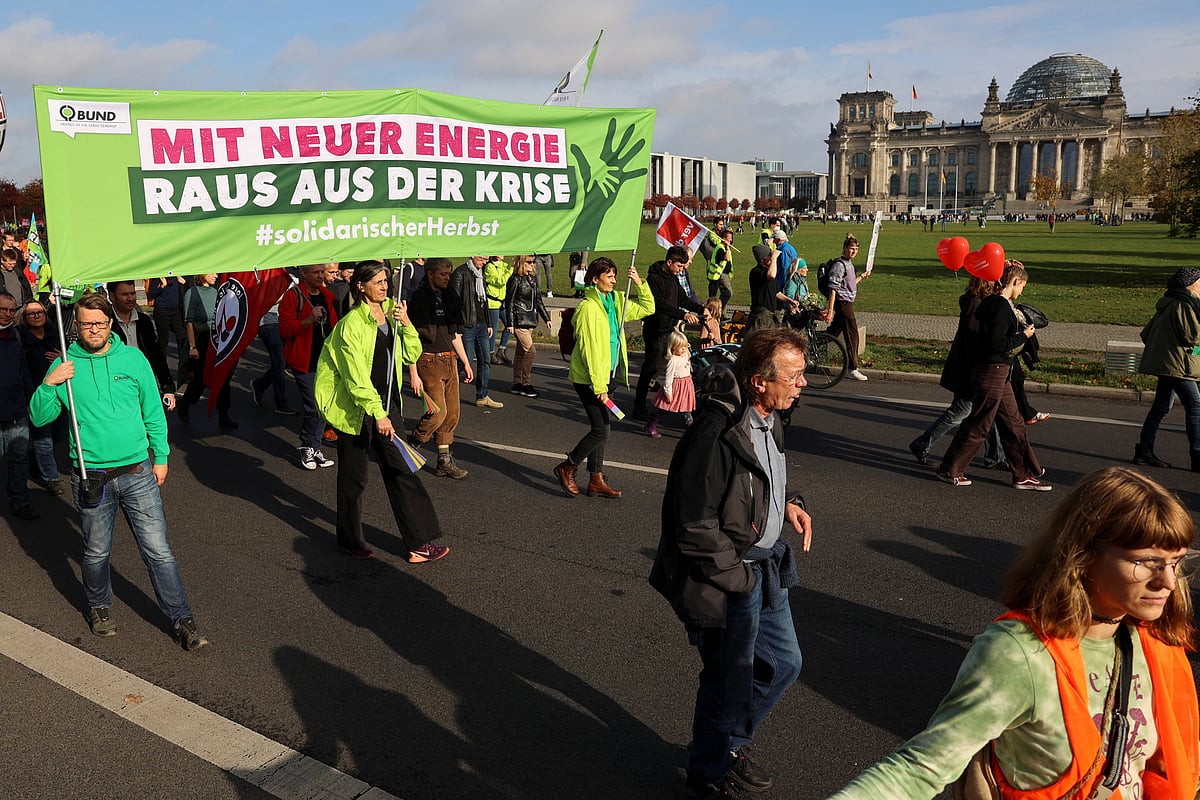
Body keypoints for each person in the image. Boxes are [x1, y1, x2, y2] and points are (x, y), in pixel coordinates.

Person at [829, 467, 1200, 799]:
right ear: (1083, 555)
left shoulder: (1156, 641)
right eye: (1146, 562)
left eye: (1176, 561)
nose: (1168, 581)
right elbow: (920, 767)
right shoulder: (1019, 654)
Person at [650, 327, 814, 800]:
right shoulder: (717, 432)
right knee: (726, 681)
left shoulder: (771, 417)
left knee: (784, 664)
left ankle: (727, 745)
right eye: (794, 376)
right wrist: (741, 580)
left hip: (766, 566)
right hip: (730, 576)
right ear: (760, 381)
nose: (802, 383)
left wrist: (789, 503)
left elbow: (761, 477)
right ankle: (706, 775)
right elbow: (693, 523)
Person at [29, 293, 209, 649]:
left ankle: (182, 619)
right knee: (96, 552)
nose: (94, 329)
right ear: (76, 326)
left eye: (100, 323)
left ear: (110, 323)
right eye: (86, 324)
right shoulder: (64, 365)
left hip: (138, 472)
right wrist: (50, 384)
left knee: (158, 551)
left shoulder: (133, 358)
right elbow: (39, 417)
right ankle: (99, 607)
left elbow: (152, 411)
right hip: (91, 476)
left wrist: (161, 455)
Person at [314, 262, 450, 563]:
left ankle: (419, 543)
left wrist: (407, 324)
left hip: (387, 406)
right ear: (360, 286)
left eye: (385, 280)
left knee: (402, 471)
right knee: (353, 479)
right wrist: (377, 413)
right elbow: (355, 378)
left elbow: (411, 354)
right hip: (356, 410)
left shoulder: (391, 312)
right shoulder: (350, 324)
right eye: (377, 281)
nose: (384, 286)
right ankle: (349, 539)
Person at [936, 262, 1050, 490]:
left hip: (1000, 372)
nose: (1022, 292)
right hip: (992, 372)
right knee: (979, 424)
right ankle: (950, 469)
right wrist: (1024, 336)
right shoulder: (999, 306)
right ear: (1015, 281)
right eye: (1022, 286)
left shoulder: (998, 303)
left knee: (1015, 424)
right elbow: (996, 344)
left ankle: (1023, 474)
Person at [553, 257, 653, 499]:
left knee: (603, 427)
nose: (614, 280)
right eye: (609, 276)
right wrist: (599, 386)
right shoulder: (588, 308)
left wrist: (639, 283)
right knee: (601, 430)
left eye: (615, 276)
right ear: (595, 279)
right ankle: (568, 466)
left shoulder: (615, 300)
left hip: (606, 373)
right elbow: (589, 350)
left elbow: (647, 308)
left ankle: (596, 479)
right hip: (589, 378)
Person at [909, 276, 1005, 470]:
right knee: (960, 413)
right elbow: (973, 337)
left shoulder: (975, 301)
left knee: (989, 411)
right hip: (969, 370)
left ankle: (995, 455)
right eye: (993, 281)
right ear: (986, 284)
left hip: (968, 368)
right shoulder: (976, 304)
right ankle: (922, 444)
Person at [407, 258, 473, 479]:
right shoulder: (419, 299)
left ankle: (444, 460)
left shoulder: (450, 297)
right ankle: (412, 444)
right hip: (428, 360)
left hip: (449, 359)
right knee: (438, 411)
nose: (447, 278)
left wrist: (465, 362)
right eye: (443, 274)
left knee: (452, 413)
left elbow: (454, 335)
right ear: (430, 274)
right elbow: (409, 338)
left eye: (449, 274)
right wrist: (413, 372)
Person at [1133, 267, 1200, 471]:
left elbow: (1146, 334)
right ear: (1191, 284)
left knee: (1161, 406)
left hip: (1166, 364)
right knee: (1196, 406)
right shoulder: (1184, 304)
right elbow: (1192, 337)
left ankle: (1144, 450)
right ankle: (1197, 455)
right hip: (1177, 365)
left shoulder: (1168, 302)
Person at [278, 263, 339, 471]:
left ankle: (315, 446)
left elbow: (334, 325)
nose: (321, 276)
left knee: (324, 405)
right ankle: (307, 446)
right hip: (304, 361)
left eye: (322, 272)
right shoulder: (293, 296)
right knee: (314, 405)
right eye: (316, 272)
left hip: (326, 360)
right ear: (304, 274)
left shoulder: (327, 296)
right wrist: (308, 320)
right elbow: (285, 329)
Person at [634, 246, 705, 420]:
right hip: (656, 330)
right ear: (669, 262)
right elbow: (661, 305)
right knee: (650, 368)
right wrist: (683, 315)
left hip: (669, 329)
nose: (681, 270)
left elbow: (682, 299)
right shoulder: (654, 279)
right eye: (679, 266)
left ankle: (666, 391)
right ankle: (638, 406)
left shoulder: (673, 277)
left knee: (674, 362)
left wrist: (700, 309)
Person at [177, 273, 237, 429]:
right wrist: (192, 347)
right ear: (202, 274)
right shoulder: (192, 293)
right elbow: (189, 322)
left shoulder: (215, 292)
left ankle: (224, 414)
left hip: (217, 341)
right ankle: (185, 403)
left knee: (223, 378)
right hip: (201, 342)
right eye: (212, 272)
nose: (216, 276)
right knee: (201, 380)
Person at [19, 300, 65, 495]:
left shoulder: (56, 335)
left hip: (58, 394)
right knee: (43, 439)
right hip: (36, 394)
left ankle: (33, 459)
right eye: (31, 313)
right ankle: (51, 479)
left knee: (59, 435)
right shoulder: (21, 339)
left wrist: (63, 356)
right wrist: (29, 399)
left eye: (40, 312)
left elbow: (70, 359)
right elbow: (22, 372)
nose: (37, 315)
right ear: (24, 318)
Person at [0, 291, 37, 520]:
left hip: (16, 409)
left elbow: (25, 371)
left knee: (19, 460)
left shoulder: (17, 335)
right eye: (3, 309)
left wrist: (30, 399)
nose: (8, 314)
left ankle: (20, 502)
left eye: (12, 310)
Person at [451, 254, 503, 409]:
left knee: (485, 360)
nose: (484, 262)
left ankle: (482, 396)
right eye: (481, 259)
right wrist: (458, 326)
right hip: (466, 325)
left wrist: (489, 323)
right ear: (473, 255)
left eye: (486, 260)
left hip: (481, 324)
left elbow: (484, 301)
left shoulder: (481, 274)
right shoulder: (460, 273)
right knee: (465, 360)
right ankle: (445, 388)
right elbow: (454, 301)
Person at [503, 254, 552, 398]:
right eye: (529, 262)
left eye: (533, 262)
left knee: (521, 352)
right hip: (519, 320)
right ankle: (526, 383)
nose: (532, 264)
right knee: (531, 351)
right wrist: (510, 323)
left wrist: (546, 318)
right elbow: (509, 302)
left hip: (529, 320)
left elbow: (538, 300)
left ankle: (517, 383)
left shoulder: (531, 279)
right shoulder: (514, 279)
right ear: (522, 263)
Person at [821, 234, 869, 381]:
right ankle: (852, 368)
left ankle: (809, 347)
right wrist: (830, 310)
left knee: (833, 332)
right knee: (852, 335)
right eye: (851, 248)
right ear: (845, 248)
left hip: (847, 302)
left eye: (856, 249)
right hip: (843, 304)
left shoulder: (849, 264)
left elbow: (849, 284)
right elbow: (833, 289)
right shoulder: (839, 265)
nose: (854, 252)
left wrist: (862, 276)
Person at [645, 329, 695, 438]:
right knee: (664, 409)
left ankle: (692, 432)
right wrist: (668, 393)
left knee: (686, 411)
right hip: (676, 388)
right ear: (673, 347)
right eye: (681, 347)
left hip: (685, 387)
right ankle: (651, 425)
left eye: (685, 346)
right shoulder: (673, 360)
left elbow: (688, 352)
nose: (684, 349)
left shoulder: (685, 354)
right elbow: (668, 378)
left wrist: (685, 345)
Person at [147, 275, 190, 389]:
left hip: (176, 310)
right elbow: (152, 293)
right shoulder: (159, 276)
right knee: (163, 341)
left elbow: (186, 291)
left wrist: (183, 283)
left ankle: (183, 369)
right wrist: (162, 286)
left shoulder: (178, 276)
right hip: (162, 310)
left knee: (182, 338)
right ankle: (162, 372)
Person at [746, 244, 797, 333]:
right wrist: (774, 257)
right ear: (763, 260)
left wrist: (790, 301)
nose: (772, 259)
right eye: (769, 256)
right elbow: (772, 275)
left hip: (770, 314)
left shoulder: (768, 272)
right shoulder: (757, 272)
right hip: (761, 315)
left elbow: (777, 292)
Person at [484, 255, 513, 366]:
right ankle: (490, 353)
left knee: (510, 325)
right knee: (494, 329)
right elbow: (499, 281)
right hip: (492, 303)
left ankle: (501, 350)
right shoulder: (489, 267)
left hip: (502, 302)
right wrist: (510, 270)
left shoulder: (504, 265)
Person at [707, 229, 735, 309]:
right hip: (720, 275)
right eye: (729, 238)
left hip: (725, 274)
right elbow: (726, 258)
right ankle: (718, 308)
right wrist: (727, 248)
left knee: (724, 294)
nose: (731, 240)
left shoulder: (723, 247)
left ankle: (720, 310)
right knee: (728, 293)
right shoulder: (720, 248)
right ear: (724, 238)